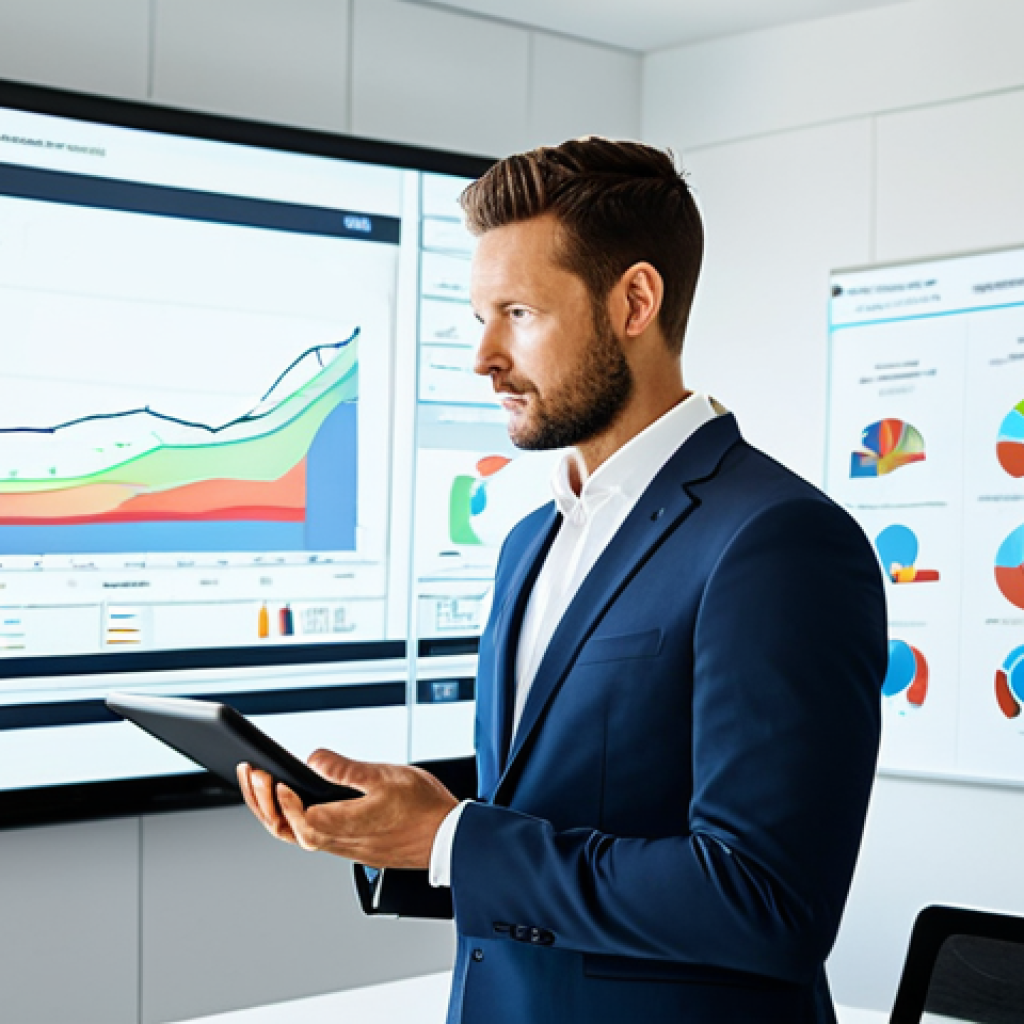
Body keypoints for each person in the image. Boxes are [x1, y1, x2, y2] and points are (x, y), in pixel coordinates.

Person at [239, 138, 887, 1024]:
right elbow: (553, 806)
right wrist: (398, 829)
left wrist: (454, 838)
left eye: (519, 313)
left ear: (635, 302)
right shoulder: (529, 542)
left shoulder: (778, 542)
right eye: (480, 316)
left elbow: (764, 900)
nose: (484, 357)